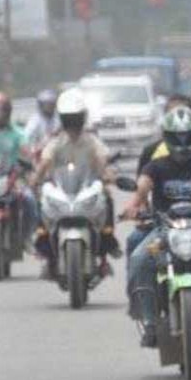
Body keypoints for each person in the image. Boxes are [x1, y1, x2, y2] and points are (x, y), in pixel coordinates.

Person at [121, 108, 191, 347]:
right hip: (165, 230)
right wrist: (133, 207)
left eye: (188, 137)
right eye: (176, 138)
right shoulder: (157, 166)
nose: (182, 145)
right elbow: (142, 188)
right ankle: (150, 322)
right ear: (166, 137)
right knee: (140, 259)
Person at [30, 87, 120, 272]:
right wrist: (35, 178)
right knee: (42, 201)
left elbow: (101, 159)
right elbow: (46, 160)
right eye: (68, 118)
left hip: (87, 187)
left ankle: (108, 242)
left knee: (108, 197)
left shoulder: (91, 140)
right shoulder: (56, 141)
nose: (72, 123)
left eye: (75, 117)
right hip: (63, 188)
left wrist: (107, 175)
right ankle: (43, 244)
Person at [0, 91, 38, 243]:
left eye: (2, 110)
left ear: (8, 111)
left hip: (13, 177)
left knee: (29, 199)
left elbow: (26, 150)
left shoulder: (17, 132)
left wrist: (30, 158)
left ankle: (28, 237)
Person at [24, 89, 60, 157]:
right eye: (46, 104)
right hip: (39, 151)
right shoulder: (35, 120)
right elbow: (26, 136)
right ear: (41, 105)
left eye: (51, 104)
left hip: (56, 150)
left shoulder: (58, 117)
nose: (49, 107)